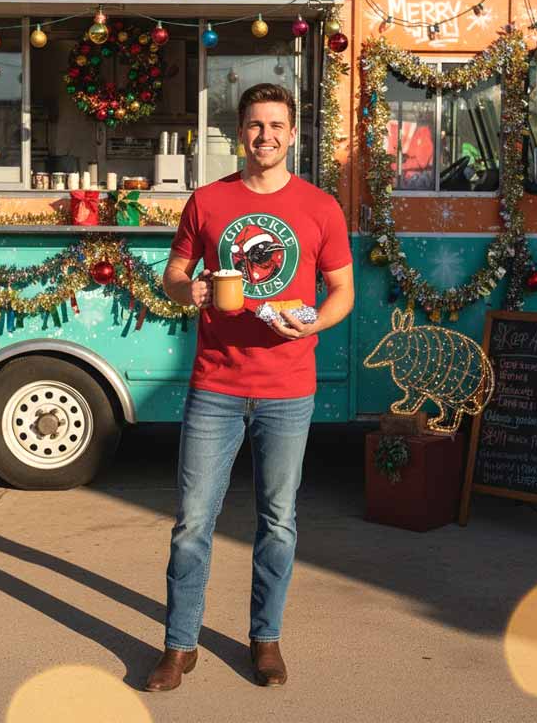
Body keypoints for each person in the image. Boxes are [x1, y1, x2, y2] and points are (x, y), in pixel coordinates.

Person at [144, 83, 354, 691]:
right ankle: (179, 646)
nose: (266, 136)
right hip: (216, 385)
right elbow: (173, 276)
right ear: (241, 133)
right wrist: (191, 291)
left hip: (289, 388)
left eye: (276, 126)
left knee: (279, 521)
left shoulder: (320, 207)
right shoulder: (208, 201)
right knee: (191, 523)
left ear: (294, 134)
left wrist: (314, 317)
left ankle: (265, 639)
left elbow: (341, 290)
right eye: (255, 125)